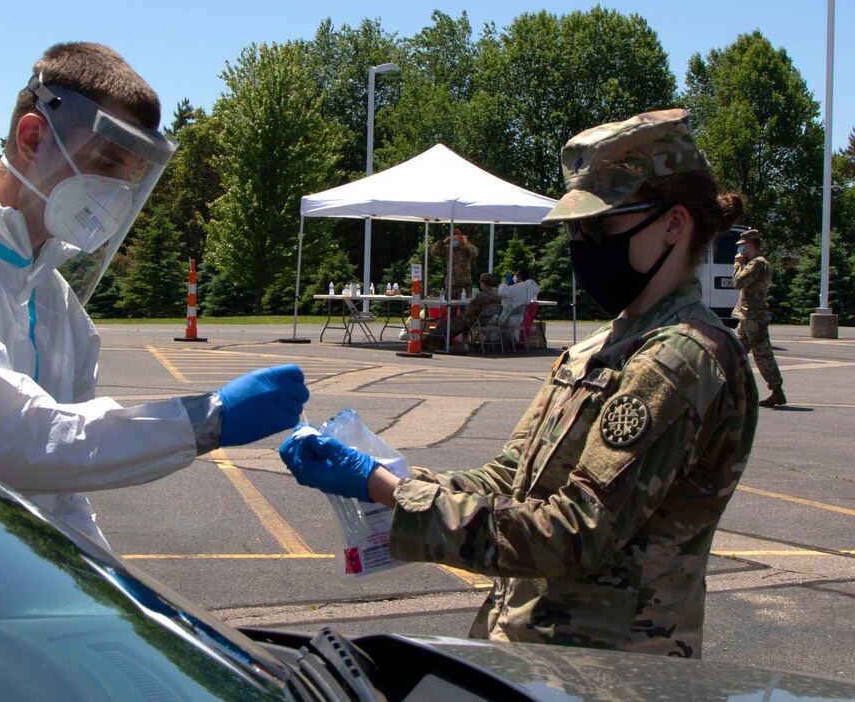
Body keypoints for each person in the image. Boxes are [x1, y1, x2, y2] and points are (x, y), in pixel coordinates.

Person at [279, 109, 758, 657]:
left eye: (598, 226)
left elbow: (574, 531)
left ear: (674, 224)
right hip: (535, 655)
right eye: (575, 228)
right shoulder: (603, 345)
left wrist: (387, 492)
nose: (582, 244)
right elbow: (513, 478)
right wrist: (386, 473)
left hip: (608, 675)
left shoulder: (681, 357)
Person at [0, 42, 308, 549]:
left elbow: (62, 491)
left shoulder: (54, 302)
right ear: (32, 137)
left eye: (130, 177)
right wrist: (207, 419)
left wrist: (113, 594)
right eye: (107, 162)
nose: (115, 193)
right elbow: (4, 438)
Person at [732, 228, 786, 407]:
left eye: (743, 247)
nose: (741, 250)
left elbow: (738, 282)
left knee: (762, 354)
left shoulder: (757, 264)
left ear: (751, 245)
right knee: (735, 353)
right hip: (748, 315)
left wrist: (737, 264)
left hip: (754, 317)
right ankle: (731, 391)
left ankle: (776, 391)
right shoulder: (758, 263)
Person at [420, 272, 502, 351]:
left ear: (482, 283)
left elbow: (470, 311)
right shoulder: (497, 296)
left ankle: (427, 343)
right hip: (486, 321)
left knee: (445, 325)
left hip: (471, 321)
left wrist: (462, 312)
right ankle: (437, 343)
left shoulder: (481, 296)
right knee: (448, 325)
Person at [432, 227, 478, 299]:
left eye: (456, 239)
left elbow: (475, 253)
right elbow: (434, 252)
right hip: (451, 284)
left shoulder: (466, 249)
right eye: (453, 239)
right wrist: (444, 241)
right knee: (450, 308)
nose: (454, 241)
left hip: (464, 284)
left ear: (461, 238)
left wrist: (466, 243)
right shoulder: (448, 249)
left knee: (465, 308)